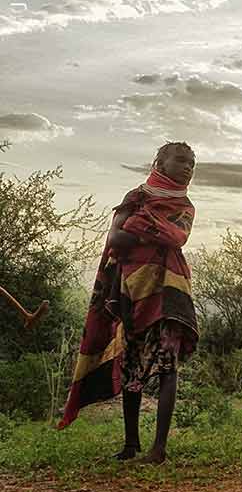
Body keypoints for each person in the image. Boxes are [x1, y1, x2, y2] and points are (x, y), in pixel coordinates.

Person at [59, 142, 199, 466]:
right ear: (160, 162)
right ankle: (131, 443)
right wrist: (151, 232)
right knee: (132, 365)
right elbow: (115, 240)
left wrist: (136, 226)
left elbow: (177, 237)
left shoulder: (185, 206)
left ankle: (158, 449)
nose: (188, 166)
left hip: (169, 292)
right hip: (130, 291)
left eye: (192, 162)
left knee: (167, 367)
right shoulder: (135, 197)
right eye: (181, 159)